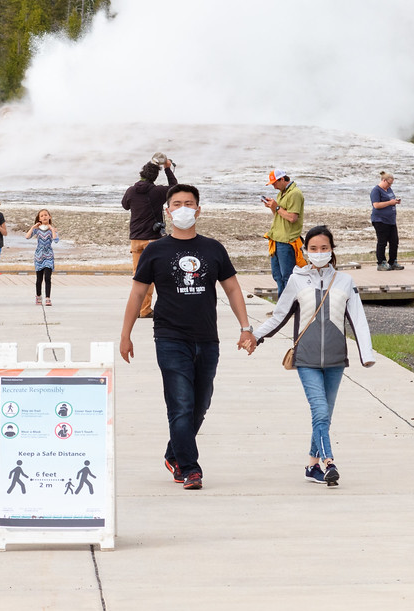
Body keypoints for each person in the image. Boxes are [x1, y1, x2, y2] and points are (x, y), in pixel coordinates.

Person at [120, 183, 254, 491]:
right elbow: (138, 292)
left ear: (198, 209)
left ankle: (173, 453)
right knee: (180, 403)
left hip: (207, 338)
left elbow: (232, 288)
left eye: (189, 203)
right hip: (170, 338)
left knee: (200, 403)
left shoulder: (213, 248)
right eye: (177, 203)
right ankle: (190, 467)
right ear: (168, 211)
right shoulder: (155, 250)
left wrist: (245, 327)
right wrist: (125, 334)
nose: (183, 208)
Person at [250, 224, 375, 486]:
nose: (319, 252)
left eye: (324, 248)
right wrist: (255, 336)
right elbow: (279, 316)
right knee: (319, 411)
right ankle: (329, 462)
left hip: (335, 360)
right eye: (314, 248)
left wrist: (367, 354)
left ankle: (311, 465)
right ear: (305, 251)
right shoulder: (297, 280)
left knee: (324, 416)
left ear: (332, 251)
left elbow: (359, 320)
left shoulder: (344, 281)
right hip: (306, 359)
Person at [121, 158, 171, 316]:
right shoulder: (158, 192)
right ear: (155, 176)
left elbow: (125, 205)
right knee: (155, 274)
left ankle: (138, 308)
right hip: (153, 239)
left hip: (135, 238)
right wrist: (168, 168)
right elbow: (175, 188)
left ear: (141, 173)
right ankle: (145, 309)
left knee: (138, 275)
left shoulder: (131, 190)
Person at [261, 168, 304, 295]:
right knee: (278, 277)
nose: (273, 186)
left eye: (274, 183)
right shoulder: (282, 193)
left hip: (287, 241)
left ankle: (289, 307)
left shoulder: (295, 193)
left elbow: (292, 217)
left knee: (287, 277)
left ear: (282, 179)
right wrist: (272, 207)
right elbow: (278, 215)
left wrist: (277, 207)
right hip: (276, 239)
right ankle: (282, 307)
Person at [369, 172, 401, 271]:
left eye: (391, 184)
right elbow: (376, 205)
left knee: (394, 241)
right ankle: (381, 262)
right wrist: (389, 203)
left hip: (391, 220)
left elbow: (390, 200)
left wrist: (395, 202)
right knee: (382, 242)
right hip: (380, 220)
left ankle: (393, 261)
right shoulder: (376, 190)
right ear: (383, 180)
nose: (390, 185)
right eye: (389, 183)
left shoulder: (389, 189)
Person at [28, 209, 59, 305]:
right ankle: (38, 296)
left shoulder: (52, 230)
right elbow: (27, 236)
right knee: (39, 278)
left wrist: (52, 229)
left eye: (46, 215)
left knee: (48, 278)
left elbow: (56, 240)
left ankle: (48, 298)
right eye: (41, 216)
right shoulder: (37, 229)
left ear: (49, 217)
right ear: (39, 218)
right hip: (39, 255)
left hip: (49, 254)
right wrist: (33, 227)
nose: (44, 217)